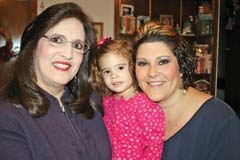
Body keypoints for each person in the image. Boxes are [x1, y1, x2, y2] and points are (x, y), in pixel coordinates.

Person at [0, 2, 111, 160]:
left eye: (77, 45)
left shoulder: (90, 99)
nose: (68, 54)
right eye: (57, 40)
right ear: (33, 45)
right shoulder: (7, 117)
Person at [132, 21, 240, 160]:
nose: (152, 73)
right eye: (143, 63)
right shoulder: (133, 114)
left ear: (181, 66)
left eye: (163, 61)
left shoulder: (220, 121)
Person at [92, 37, 165, 159]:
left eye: (120, 68)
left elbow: (154, 147)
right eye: (107, 71)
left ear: (132, 66)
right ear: (100, 75)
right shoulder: (106, 102)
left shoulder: (147, 106)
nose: (114, 76)